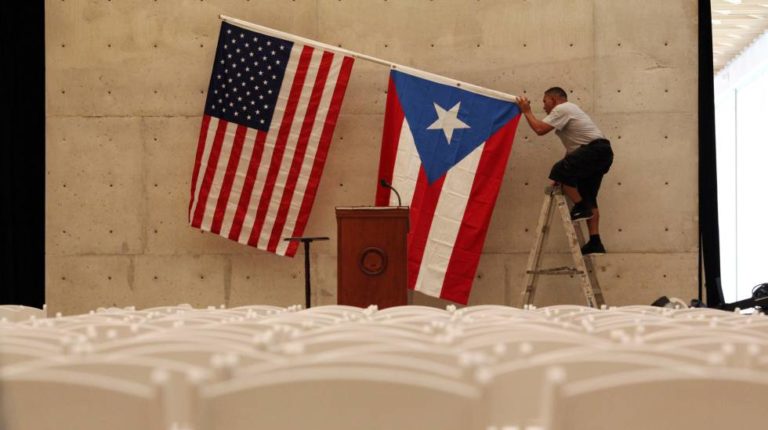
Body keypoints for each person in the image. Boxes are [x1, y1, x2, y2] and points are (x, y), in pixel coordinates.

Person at [516, 87, 614, 255]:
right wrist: (561, 175)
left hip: (595, 151)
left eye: (545, 101)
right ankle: (595, 242)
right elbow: (573, 153)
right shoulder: (570, 113)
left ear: (554, 99)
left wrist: (527, 111)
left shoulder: (563, 108)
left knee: (559, 170)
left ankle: (581, 207)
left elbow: (540, 130)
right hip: (601, 153)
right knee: (588, 194)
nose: (544, 106)